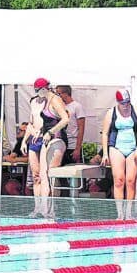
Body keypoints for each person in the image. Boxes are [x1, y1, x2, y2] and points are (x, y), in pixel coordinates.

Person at [20, 78, 69, 216]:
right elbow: (35, 122)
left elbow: (65, 119)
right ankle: (43, 210)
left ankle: (51, 211)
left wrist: (49, 132)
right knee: (41, 175)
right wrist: (26, 139)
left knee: (50, 175)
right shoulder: (42, 101)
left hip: (56, 139)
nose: (35, 93)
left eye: (37, 90)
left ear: (43, 89)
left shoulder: (55, 100)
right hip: (44, 139)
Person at [101, 89, 137, 214]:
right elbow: (105, 133)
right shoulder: (111, 113)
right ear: (117, 102)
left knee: (131, 181)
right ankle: (120, 213)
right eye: (122, 103)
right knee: (119, 180)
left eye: (127, 103)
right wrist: (105, 153)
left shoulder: (136, 111)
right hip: (116, 148)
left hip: (133, 148)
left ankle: (129, 213)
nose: (125, 106)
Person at [55, 85, 86, 164]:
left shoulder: (77, 106)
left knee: (74, 171)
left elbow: (81, 128)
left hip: (73, 144)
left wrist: (77, 149)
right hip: (61, 144)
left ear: (66, 93)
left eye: (59, 94)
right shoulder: (59, 107)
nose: (57, 96)